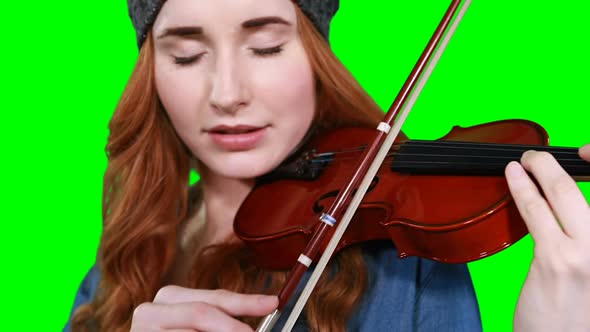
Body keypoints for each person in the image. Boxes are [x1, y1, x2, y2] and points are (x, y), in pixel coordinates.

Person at [64, 0, 590, 331]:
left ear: (315, 59)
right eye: (185, 56)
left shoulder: (407, 266)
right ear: (151, 75)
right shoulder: (120, 267)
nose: (226, 94)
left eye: (266, 47)